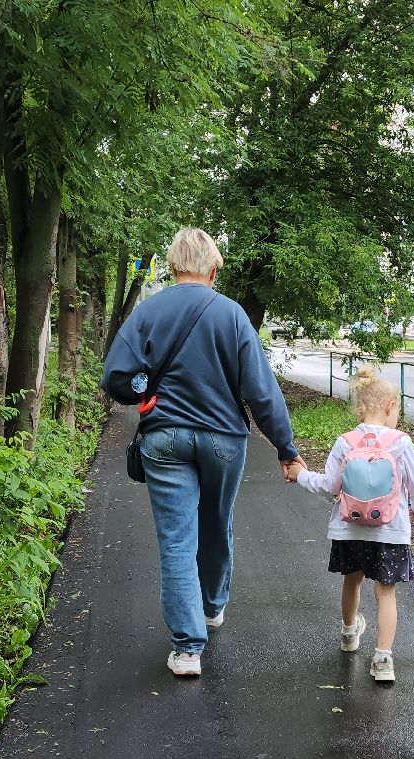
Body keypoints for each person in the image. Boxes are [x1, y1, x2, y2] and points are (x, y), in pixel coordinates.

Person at [101, 226, 303, 678]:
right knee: (216, 523)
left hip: (164, 437)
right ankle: (212, 608)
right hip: (224, 441)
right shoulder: (232, 316)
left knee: (177, 538)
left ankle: (188, 649)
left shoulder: (147, 311)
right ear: (213, 270)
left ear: (173, 268)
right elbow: (261, 391)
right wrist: (286, 449)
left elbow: (115, 375)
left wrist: (143, 391)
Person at [287, 367, 414, 684]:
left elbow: (329, 484)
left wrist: (299, 475)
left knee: (352, 581)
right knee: (386, 592)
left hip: (349, 529)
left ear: (359, 409)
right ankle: (382, 660)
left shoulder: (345, 442)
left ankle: (350, 634)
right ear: (391, 406)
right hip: (390, 531)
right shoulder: (401, 443)